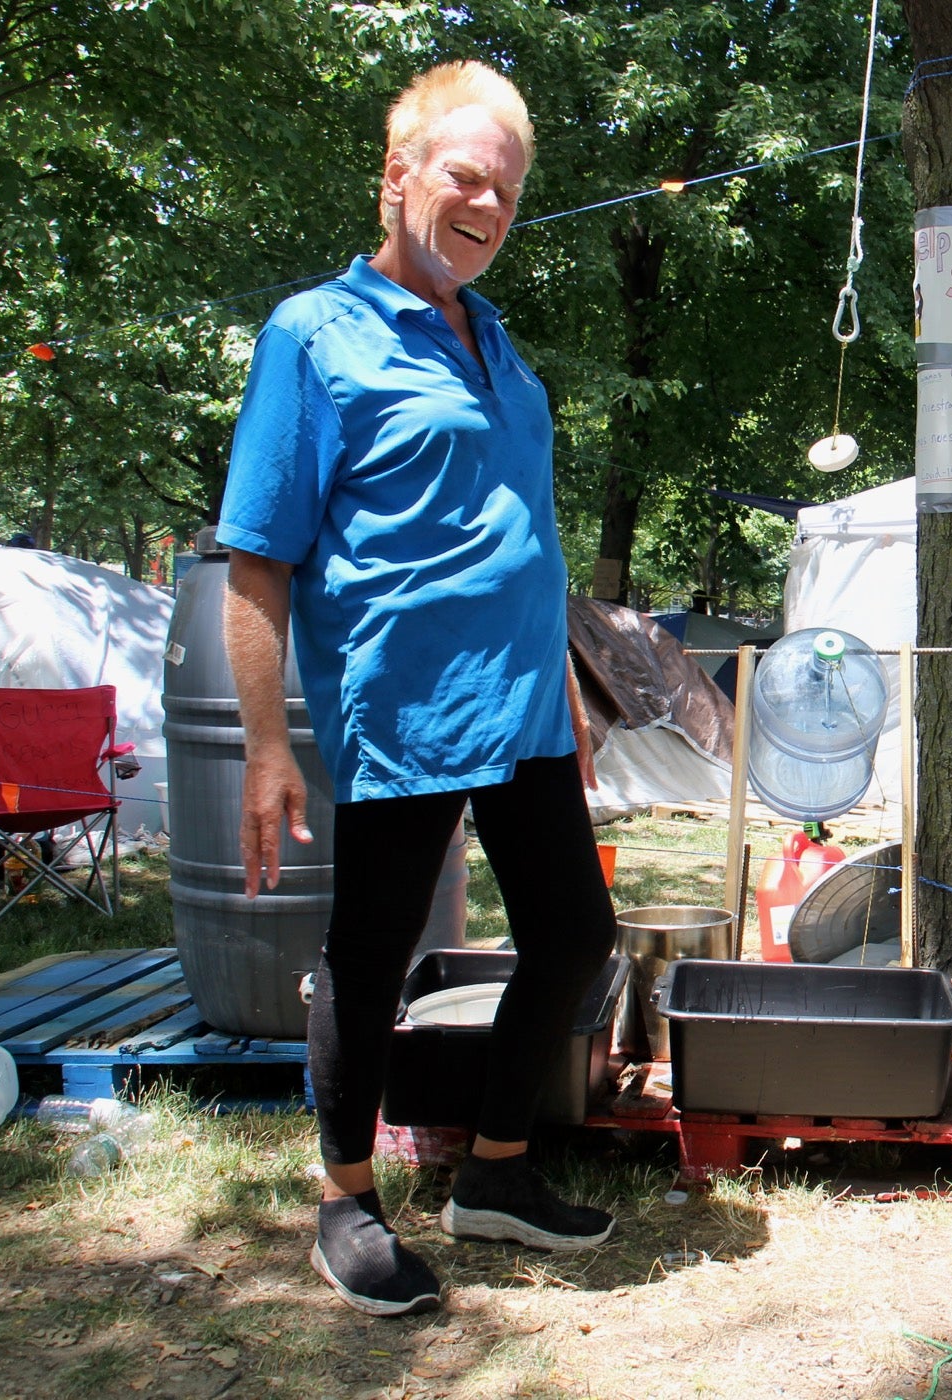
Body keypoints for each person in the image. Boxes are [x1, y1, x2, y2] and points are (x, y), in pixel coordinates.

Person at [220, 61, 616, 1318]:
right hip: (402, 702)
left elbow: (522, 531)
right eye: (464, 175)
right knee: (371, 953)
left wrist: (565, 681)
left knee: (576, 934)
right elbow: (256, 555)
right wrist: (269, 744)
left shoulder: (493, 341)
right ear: (398, 176)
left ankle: (495, 1171)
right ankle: (347, 1197)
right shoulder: (313, 336)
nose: (487, 204)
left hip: (524, 705)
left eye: (505, 188)